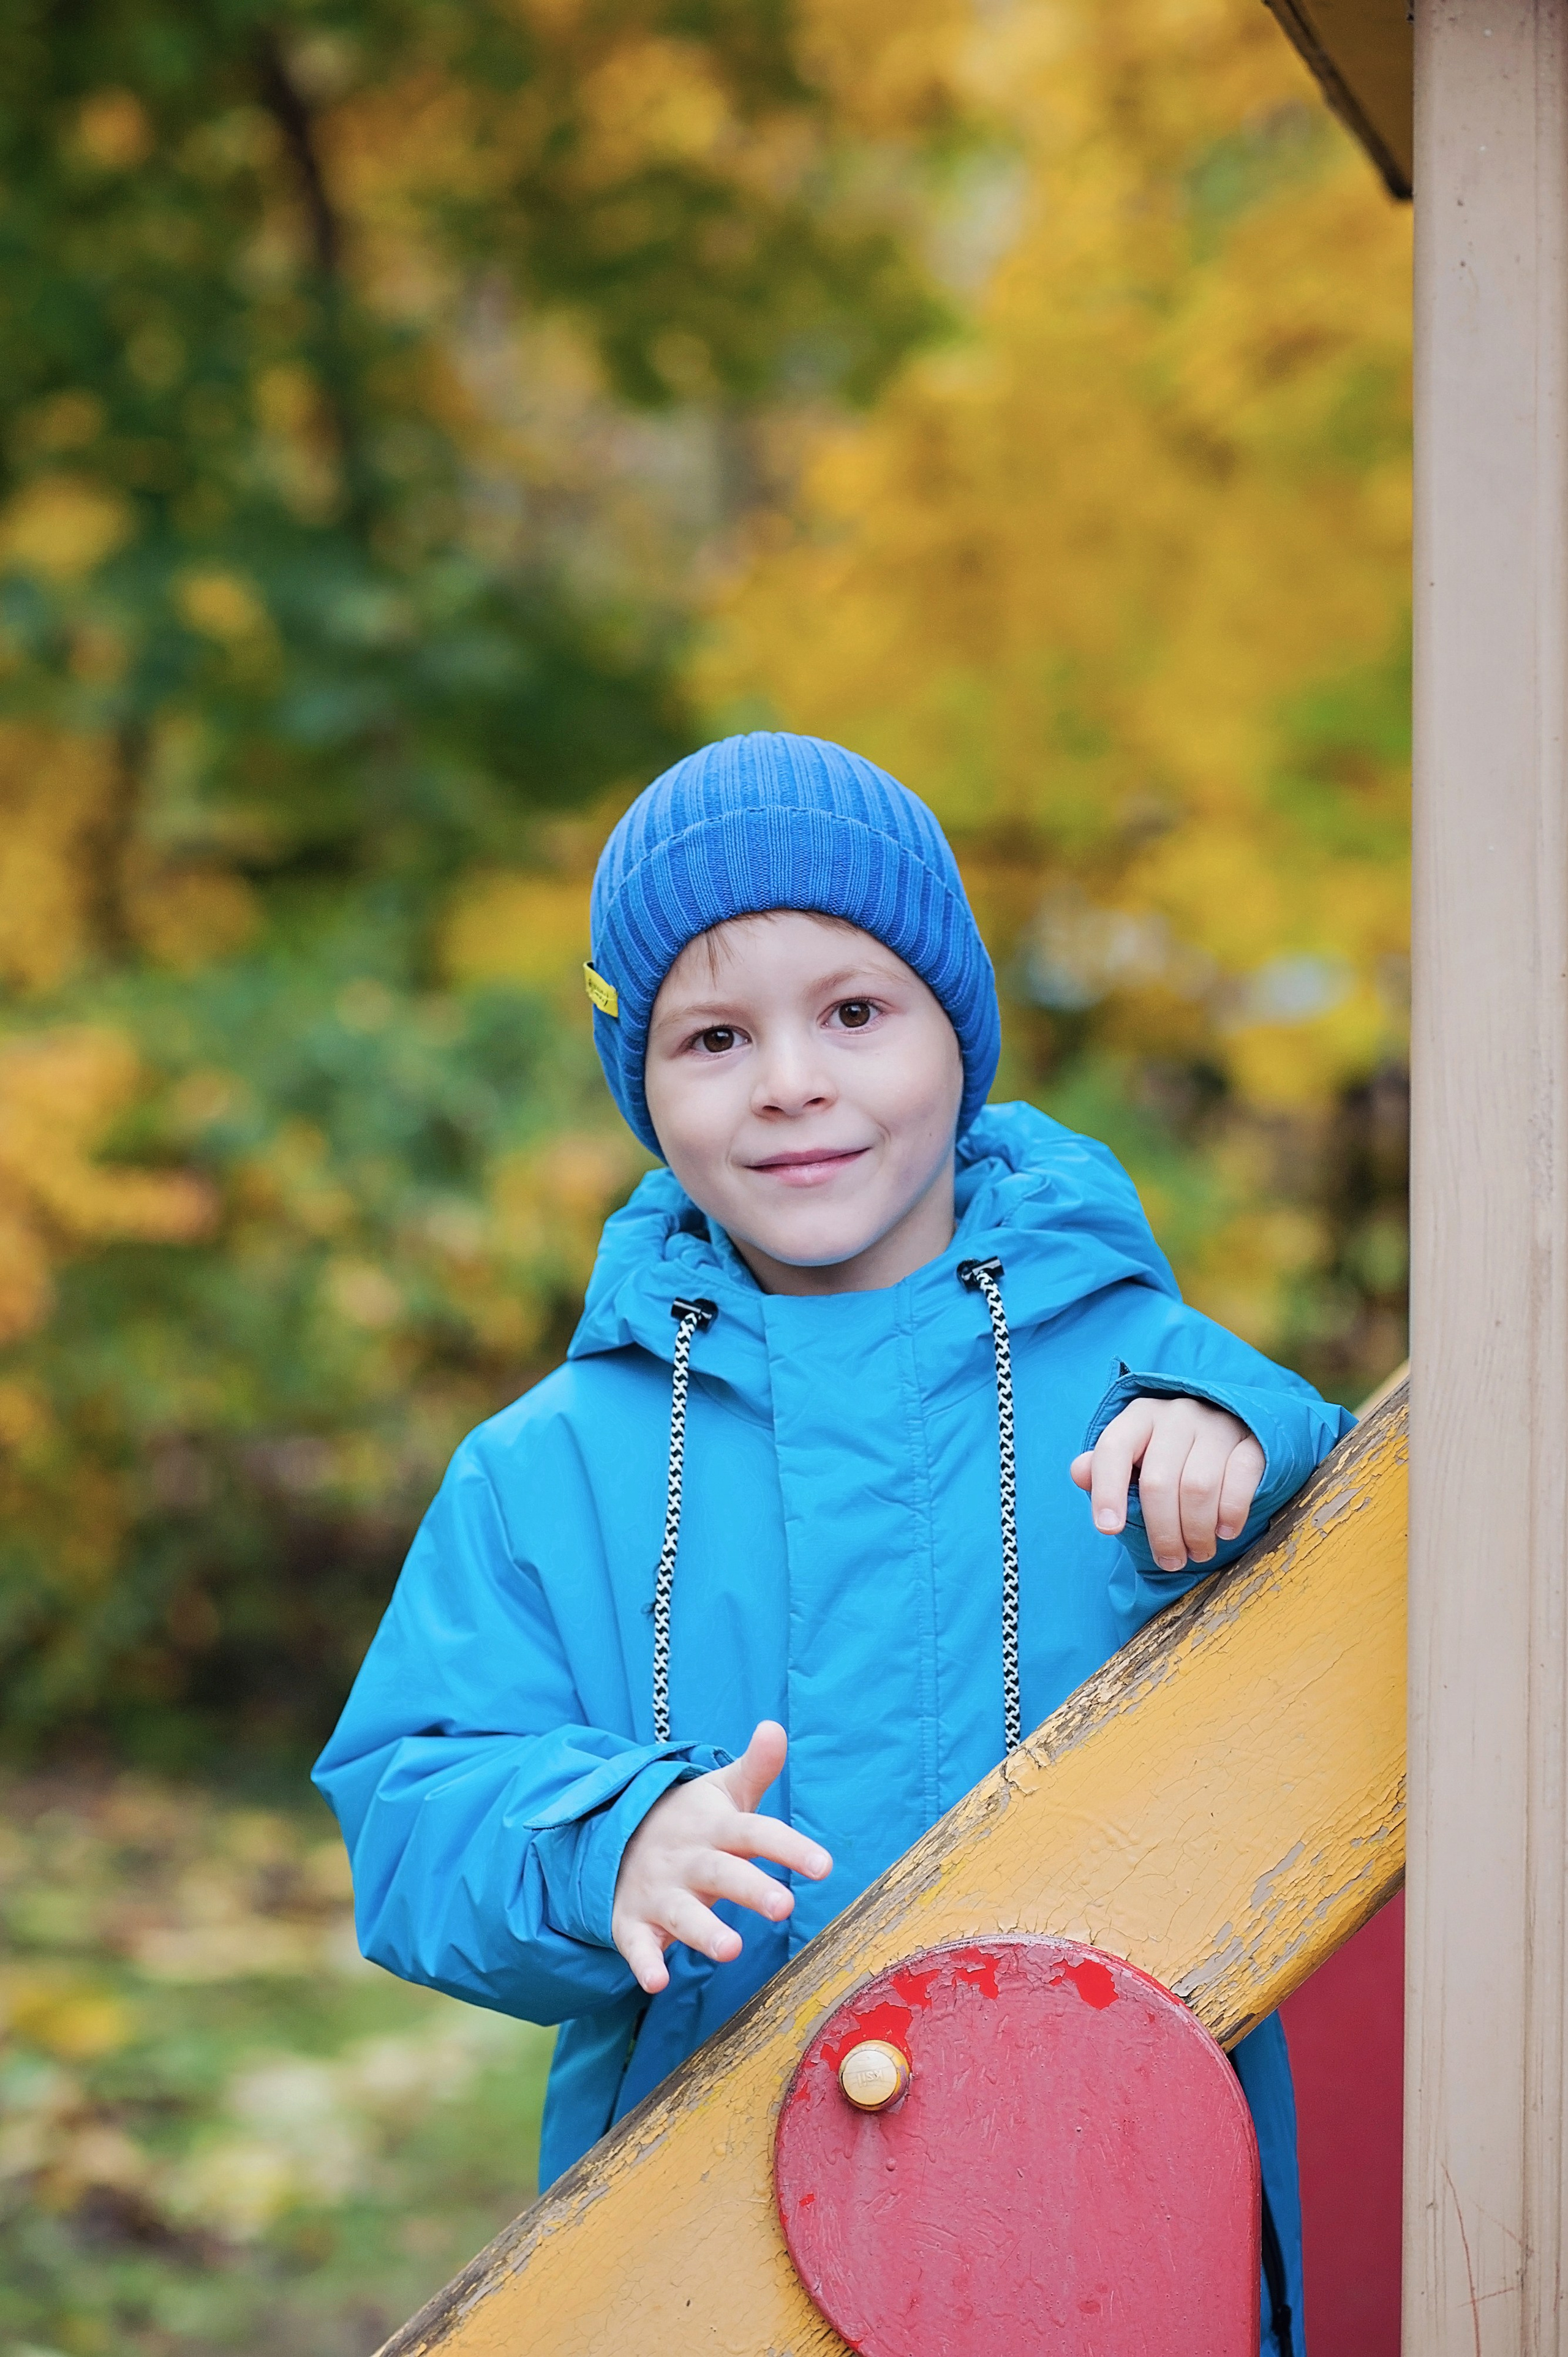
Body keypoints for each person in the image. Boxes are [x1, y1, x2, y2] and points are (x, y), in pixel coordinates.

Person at [314, 731, 1351, 2355]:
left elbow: (1363, 1580)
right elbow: (413, 1804)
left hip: (1117, 2217)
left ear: (960, 1039)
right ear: (644, 1090)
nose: (791, 1080)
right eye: (714, 1035)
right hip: (718, 2240)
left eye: (855, 1013)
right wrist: (603, 1844)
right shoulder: (550, 1469)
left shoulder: (1147, 1384)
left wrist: (1249, 1437)